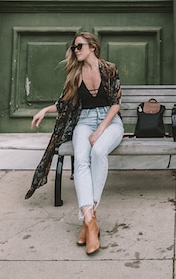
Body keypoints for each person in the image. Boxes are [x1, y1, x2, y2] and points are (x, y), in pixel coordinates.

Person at [24, 31, 124, 255]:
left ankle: (88, 221)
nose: (75, 50)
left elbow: (116, 104)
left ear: (92, 47)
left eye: (79, 46)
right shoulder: (75, 73)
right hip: (84, 121)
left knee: (98, 152)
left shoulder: (109, 69)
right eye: (73, 48)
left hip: (110, 122)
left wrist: (101, 129)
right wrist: (44, 110)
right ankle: (90, 220)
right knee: (80, 159)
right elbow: (64, 103)